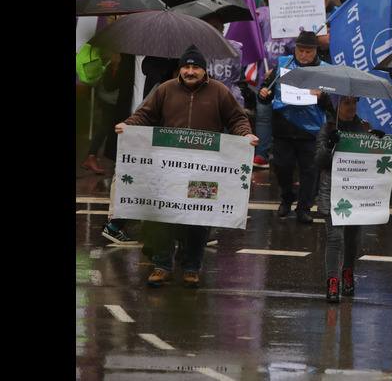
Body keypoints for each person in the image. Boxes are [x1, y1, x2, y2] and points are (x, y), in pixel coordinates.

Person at [116, 45, 257, 288]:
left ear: (205, 70)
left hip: (204, 171)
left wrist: (245, 136)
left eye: (196, 67)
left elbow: (237, 119)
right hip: (169, 170)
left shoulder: (220, 92)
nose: (190, 71)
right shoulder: (166, 89)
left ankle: (191, 268)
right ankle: (162, 267)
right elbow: (145, 115)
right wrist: (128, 125)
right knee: (164, 215)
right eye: (186, 67)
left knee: (199, 219)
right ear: (180, 69)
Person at [258, 31, 331, 224]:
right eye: (300, 50)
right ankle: (287, 196)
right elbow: (267, 90)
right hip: (284, 128)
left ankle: (303, 209)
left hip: (311, 131)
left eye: (308, 51)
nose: (303, 55)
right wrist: (263, 94)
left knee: (309, 172)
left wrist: (321, 96)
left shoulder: (325, 70)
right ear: (295, 49)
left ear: (315, 51)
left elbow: (333, 104)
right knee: (282, 167)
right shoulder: (284, 64)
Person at [315, 96, 379, 303]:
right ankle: (332, 281)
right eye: (346, 103)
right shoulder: (328, 128)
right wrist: (329, 147)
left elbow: (374, 162)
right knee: (335, 238)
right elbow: (319, 161)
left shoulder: (365, 127)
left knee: (352, 239)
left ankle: (348, 272)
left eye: (354, 102)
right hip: (332, 191)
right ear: (337, 105)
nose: (351, 106)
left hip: (356, 191)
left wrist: (379, 144)